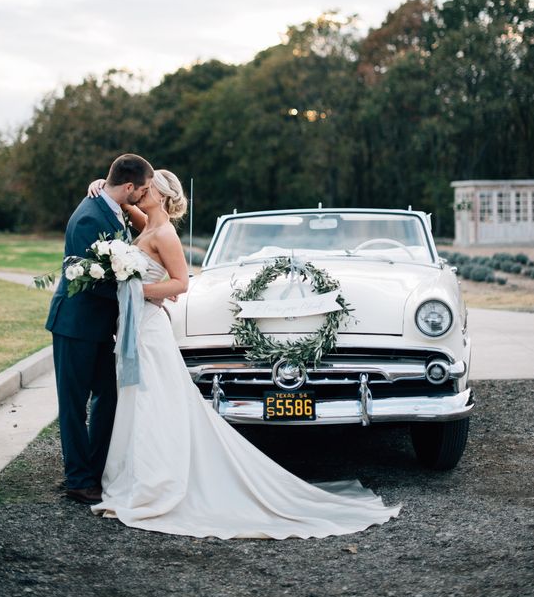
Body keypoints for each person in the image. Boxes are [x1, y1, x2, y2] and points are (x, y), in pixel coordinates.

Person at [86, 169, 401, 539]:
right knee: (140, 396)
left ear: (158, 194)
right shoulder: (149, 224)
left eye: (146, 187)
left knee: (155, 398)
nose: (139, 190)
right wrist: (99, 186)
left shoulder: (166, 232)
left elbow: (181, 283)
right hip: (137, 325)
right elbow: (127, 207)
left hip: (150, 326)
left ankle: (157, 481)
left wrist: (138, 289)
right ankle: (135, 474)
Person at [46, 153, 153, 504]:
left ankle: (95, 468)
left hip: (98, 327)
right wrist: (138, 294)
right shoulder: (89, 218)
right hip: (75, 325)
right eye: (143, 189)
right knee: (74, 404)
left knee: (108, 395)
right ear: (128, 187)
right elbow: (88, 279)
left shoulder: (111, 207)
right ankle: (78, 479)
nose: (144, 194)